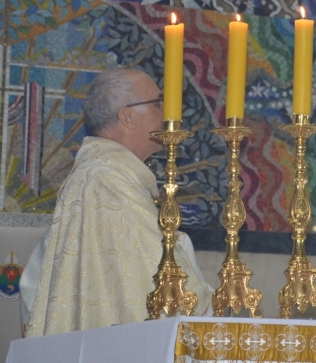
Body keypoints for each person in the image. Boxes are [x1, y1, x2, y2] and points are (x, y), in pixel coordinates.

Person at [23, 68, 213, 336]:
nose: (167, 113)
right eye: (157, 103)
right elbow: (159, 272)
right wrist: (209, 304)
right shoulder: (107, 181)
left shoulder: (104, 173)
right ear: (127, 116)